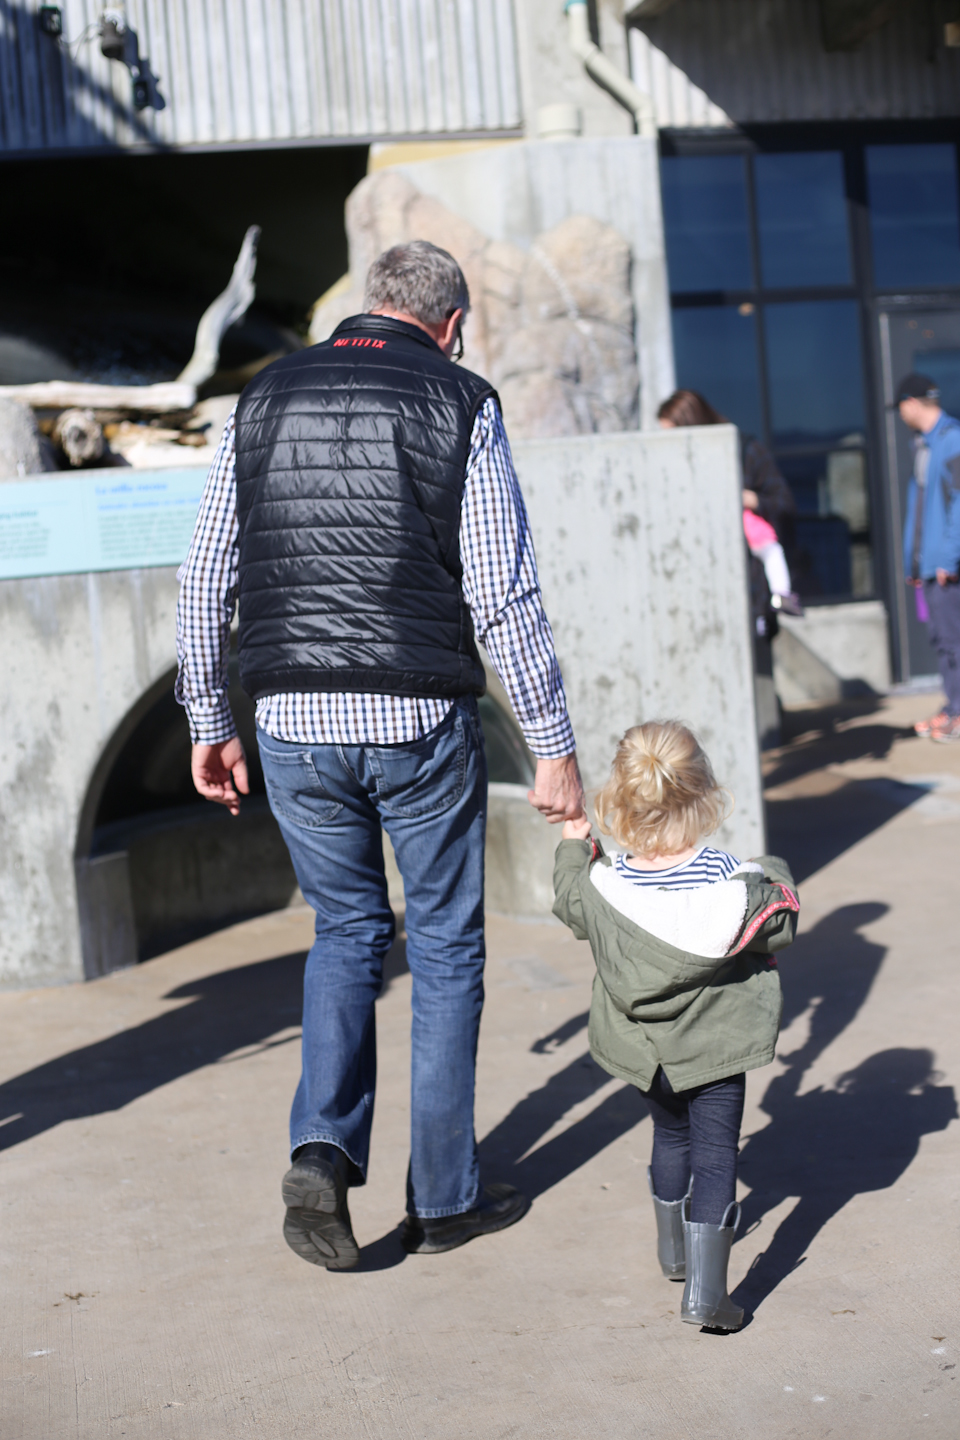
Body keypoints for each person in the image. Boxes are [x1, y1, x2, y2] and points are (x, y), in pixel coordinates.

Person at [176, 240, 584, 1270]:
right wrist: (553, 747)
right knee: (443, 946)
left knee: (347, 931)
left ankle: (322, 1149)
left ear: (371, 303)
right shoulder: (461, 399)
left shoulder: (262, 397)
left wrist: (208, 721)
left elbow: (204, 576)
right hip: (417, 716)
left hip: (291, 720)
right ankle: (442, 1200)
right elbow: (502, 591)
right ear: (452, 325)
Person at [552, 721, 799, 1330]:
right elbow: (779, 922)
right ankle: (707, 1296)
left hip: (645, 1053)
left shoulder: (606, 884)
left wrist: (574, 845)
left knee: (670, 1137)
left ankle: (673, 1254)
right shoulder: (729, 877)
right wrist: (771, 867)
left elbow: (569, 900)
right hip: (713, 1048)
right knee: (715, 1157)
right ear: (704, 793)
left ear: (621, 799)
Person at [896, 372, 960, 741]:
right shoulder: (923, 445)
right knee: (942, 640)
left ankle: (958, 712)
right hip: (930, 567)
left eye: (900, 406)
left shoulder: (951, 441)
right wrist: (914, 563)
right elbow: (921, 509)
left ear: (911, 403)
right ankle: (953, 707)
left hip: (946, 568)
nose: (900, 414)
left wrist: (948, 560)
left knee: (954, 642)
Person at [656, 389, 797, 552]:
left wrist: (750, 500)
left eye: (673, 436)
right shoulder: (674, 467)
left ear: (691, 426)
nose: (670, 445)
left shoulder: (747, 451)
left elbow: (785, 505)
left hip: (748, 559)